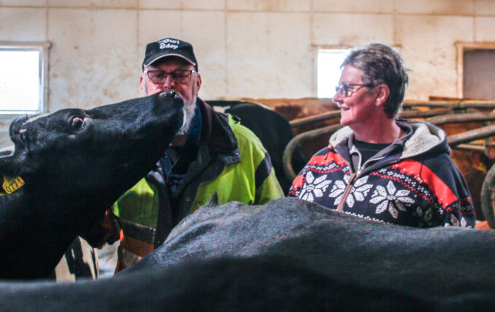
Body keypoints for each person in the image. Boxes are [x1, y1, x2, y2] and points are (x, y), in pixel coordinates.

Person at [106, 38, 284, 270]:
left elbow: (278, 227)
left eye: (181, 75)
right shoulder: (120, 149)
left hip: (216, 296)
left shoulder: (242, 145)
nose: (169, 84)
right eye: (158, 75)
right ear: (143, 84)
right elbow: (97, 229)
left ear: (197, 83)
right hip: (140, 296)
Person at [288, 43, 476, 228]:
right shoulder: (320, 162)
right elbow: (289, 221)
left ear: (380, 94)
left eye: (347, 88)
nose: (336, 98)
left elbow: (458, 245)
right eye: (338, 88)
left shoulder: (433, 169)